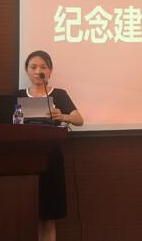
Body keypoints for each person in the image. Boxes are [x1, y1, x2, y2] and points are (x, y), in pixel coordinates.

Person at [18, 50, 83, 241]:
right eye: (33, 67)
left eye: (43, 67)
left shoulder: (59, 94)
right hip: (25, 161)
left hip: (51, 160)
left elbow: (79, 120)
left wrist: (63, 116)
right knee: (31, 215)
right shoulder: (18, 95)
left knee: (49, 216)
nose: (38, 71)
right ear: (26, 71)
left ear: (50, 71)